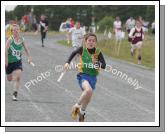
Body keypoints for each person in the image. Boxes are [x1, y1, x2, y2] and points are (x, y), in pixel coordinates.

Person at [64, 33, 106, 122]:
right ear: (85, 41)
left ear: (96, 42)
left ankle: (82, 113)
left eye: (93, 41)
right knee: (88, 90)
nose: (91, 42)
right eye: (89, 40)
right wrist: (67, 62)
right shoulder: (82, 49)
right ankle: (76, 106)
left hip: (93, 77)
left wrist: (98, 64)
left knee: (88, 97)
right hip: (82, 75)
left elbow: (104, 65)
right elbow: (73, 53)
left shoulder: (98, 52)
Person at [5, 24, 32, 101]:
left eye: (17, 29)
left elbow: (26, 49)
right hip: (9, 62)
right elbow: (5, 50)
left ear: (19, 30)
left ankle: (15, 94)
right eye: (14, 30)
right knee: (9, 79)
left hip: (17, 61)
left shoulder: (22, 39)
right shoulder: (10, 39)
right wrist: (6, 60)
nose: (16, 31)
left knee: (18, 77)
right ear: (12, 31)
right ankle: (12, 77)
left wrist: (29, 57)